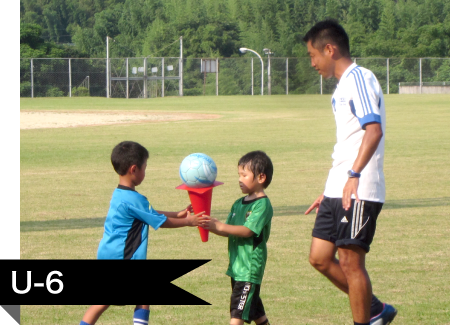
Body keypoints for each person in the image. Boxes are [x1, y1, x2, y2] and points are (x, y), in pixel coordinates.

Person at [302, 20, 397, 325]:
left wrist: (353, 174)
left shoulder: (359, 79)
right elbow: (350, 140)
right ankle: (376, 310)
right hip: (339, 186)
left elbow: (374, 130)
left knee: (350, 262)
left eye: (313, 55)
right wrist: (330, 188)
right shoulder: (342, 86)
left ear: (329, 49)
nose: (313, 63)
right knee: (319, 257)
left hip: (360, 187)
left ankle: (366, 321)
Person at [79, 141, 208, 325]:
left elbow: (149, 214)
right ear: (134, 169)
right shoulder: (136, 199)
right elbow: (160, 222)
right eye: (144, 168)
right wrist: (188, 221)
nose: (145, 172)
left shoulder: (120, 195)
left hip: (108, 254)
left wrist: (178, 213)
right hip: (122, 258)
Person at [204, 150, 274, 325]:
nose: (239, 179)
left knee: (236, 315)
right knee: (257, 314)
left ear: (261, 177)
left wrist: (219, 225)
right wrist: (209, 225)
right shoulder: (238, 203)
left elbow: (247, 231)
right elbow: (229, 230)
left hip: (249, 269)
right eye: (239, 175)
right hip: (237, 267)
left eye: (244, 174)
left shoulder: (262, 205)